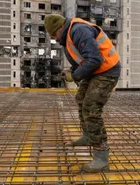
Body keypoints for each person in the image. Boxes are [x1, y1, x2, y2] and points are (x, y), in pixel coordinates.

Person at [44, 14, 121, 173]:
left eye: (53, 35)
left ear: (59, 29)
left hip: (107, 71)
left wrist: (76, 75)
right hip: (95, 71)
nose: (54, 38)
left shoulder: (79, 31)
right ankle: (88, 135)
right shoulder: (67, 37)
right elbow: (82, 59)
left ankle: (101, 157)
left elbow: (94, 59)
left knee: (91, 108)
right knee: (81, 99)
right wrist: (72, 71)